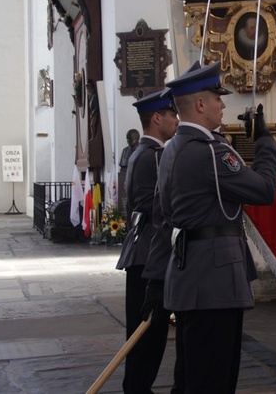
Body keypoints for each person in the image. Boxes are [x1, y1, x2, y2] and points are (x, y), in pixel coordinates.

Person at [150, 61, 276, 393]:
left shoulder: (171, 149)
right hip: (215, 284)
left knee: (191, 377)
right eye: (217, 98)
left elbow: (163, 213)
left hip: (190, 276)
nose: (224, 105)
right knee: (214, 380)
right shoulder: (211, 153)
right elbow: (264, 189)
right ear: (200, 104)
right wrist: (264, 140)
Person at [115, 89, 179, 394]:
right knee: (147, 337)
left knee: (144, 337)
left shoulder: (142, 153)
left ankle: (138, 388)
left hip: (141, 250)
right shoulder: (155, 156)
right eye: (172, 114)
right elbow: (163, 208)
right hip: (149, 255)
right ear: (157, 118)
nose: (177, 120)